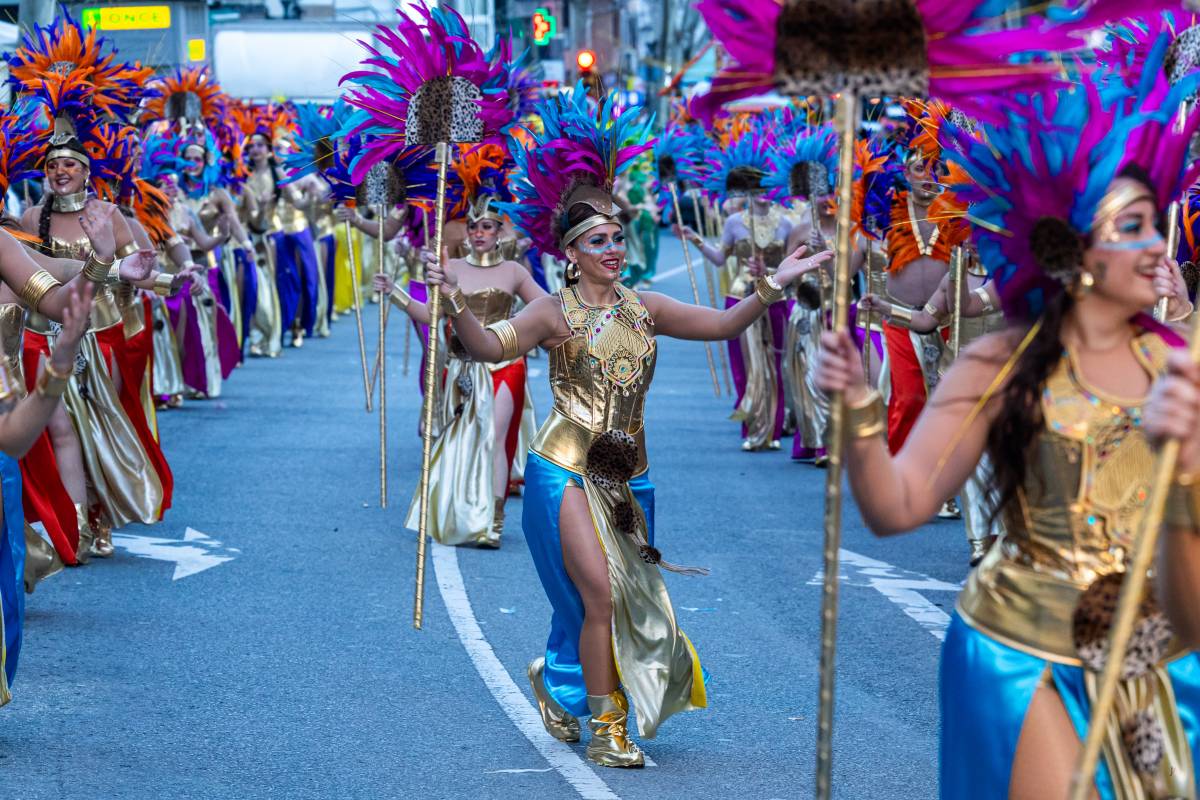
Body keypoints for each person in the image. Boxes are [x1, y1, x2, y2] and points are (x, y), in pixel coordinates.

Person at [815, 52, 1200, 798]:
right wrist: (859, 411)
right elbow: (898, 507)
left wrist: (1183, 473)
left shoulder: (1180, 374)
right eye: (1133, 227)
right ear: (1071, 248)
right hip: (1022, 654)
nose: (1158, 245)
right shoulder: (1004, 362)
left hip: (1155, 664)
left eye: (1156, 224)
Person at [437, 85, 833, 766]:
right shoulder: (552, 313)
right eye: (599, 240)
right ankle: (605, 727)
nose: (615, 249)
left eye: (619, 237)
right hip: (565, 470)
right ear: (571, 252)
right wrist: (453, 309)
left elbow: (721, 325)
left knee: (620, 602)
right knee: (600, 597)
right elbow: (488, 347)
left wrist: (774, 284)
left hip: (630, 480)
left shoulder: (645, 306)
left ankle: (556, 684)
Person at [378, 194, 545, 547]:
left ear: (500, 233)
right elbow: (429, 316)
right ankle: (461, 511)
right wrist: (394, 292)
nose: (479, 233)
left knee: (497, 438)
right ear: (466, 232)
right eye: (474, 227)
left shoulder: (514, 271)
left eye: (487, 227)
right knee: (461, 442)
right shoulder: (450, 268)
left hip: (505, 364)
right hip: (461, 369)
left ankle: (494, 521)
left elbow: (543, 306)